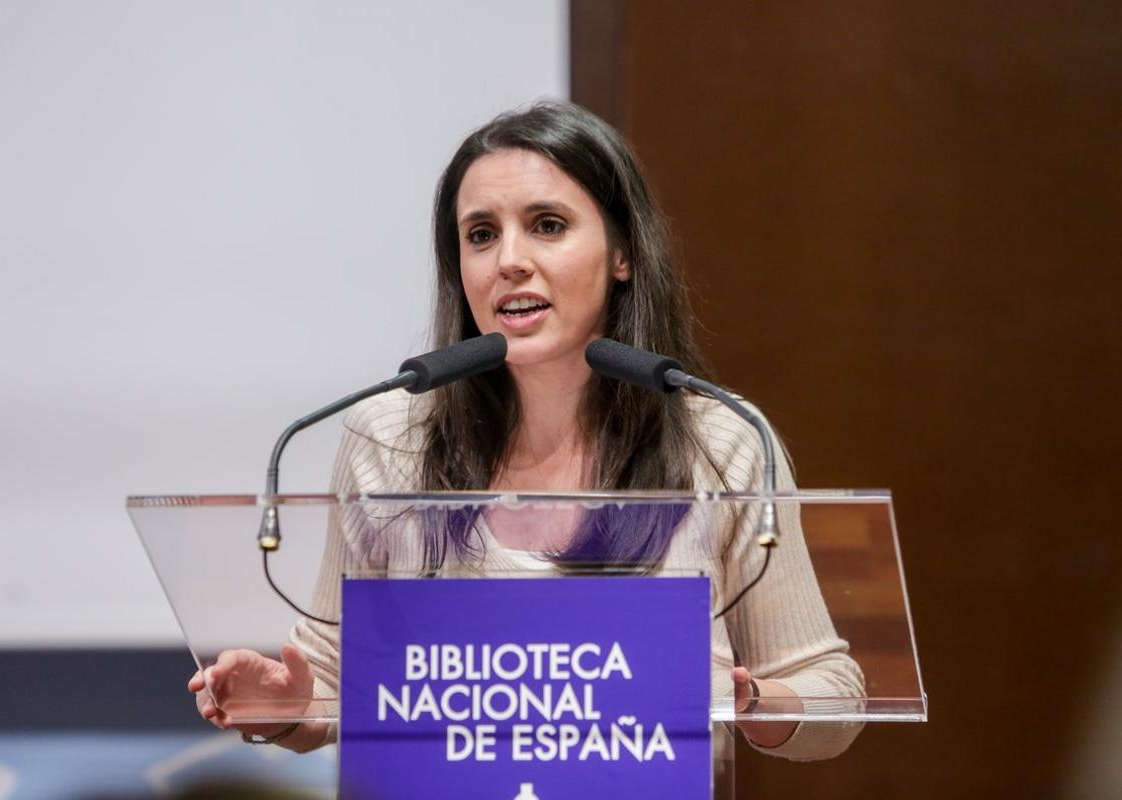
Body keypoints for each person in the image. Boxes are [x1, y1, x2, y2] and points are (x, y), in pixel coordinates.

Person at [189, 100, 864, 760]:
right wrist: (285, 706)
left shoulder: (720, 443)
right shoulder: (389, 438)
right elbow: (334, 678)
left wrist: (748, 701)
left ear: (623, 253)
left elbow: (832, 693)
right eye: (481, 235)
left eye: (547, 225)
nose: (509, 260)